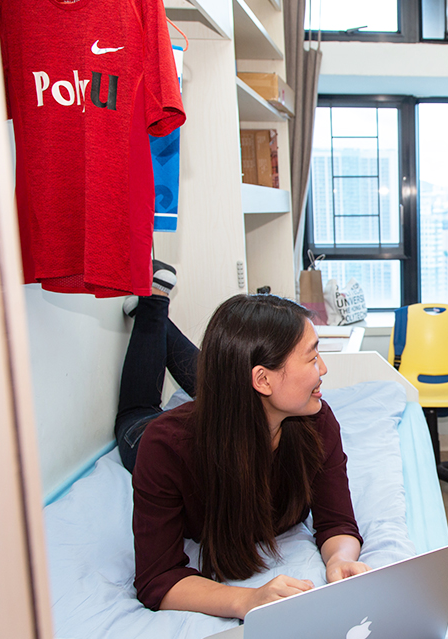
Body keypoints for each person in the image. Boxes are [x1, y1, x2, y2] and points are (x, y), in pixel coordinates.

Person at [113, 263, 370, 619]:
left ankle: (152, 307)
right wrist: (246, 600)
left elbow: (337, 522)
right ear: (263, 381)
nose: (323, 369)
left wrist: (340, 561)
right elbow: (158, 578)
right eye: (312, 356)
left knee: (221, 374)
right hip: (144, 432)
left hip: (238, 406)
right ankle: (153, 304)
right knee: (138, 409)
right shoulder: (165, 448)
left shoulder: (315, 421)